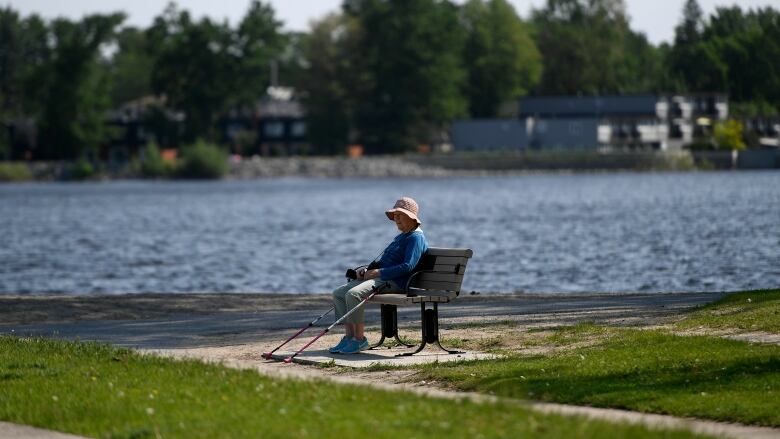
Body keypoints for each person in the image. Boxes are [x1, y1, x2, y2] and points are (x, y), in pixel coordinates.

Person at [330, 197, 428, 354]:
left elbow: (408, 266)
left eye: (400, 215)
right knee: (339, 293)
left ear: (411, 217)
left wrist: (379, 272)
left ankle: (359, 340)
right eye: (395, 215)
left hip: (396, 282)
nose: (396, 219)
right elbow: (386, 262)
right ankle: (349, 337)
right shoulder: (402, 236)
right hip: (382, 279)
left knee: (354, 294)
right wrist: (366, 270)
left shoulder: (416, 238)